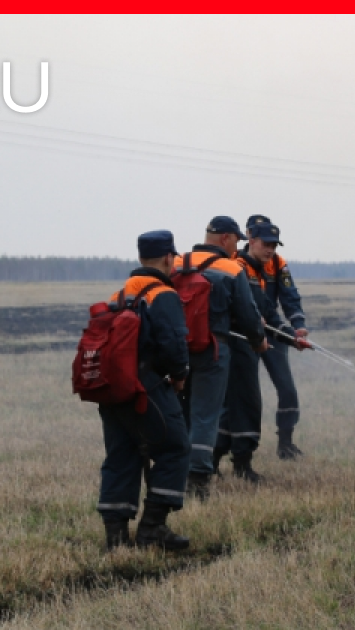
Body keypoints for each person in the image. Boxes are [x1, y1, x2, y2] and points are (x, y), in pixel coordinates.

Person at [97, 230, 192, 550]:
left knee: (122, 454)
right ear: (169, 258)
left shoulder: (118, 295)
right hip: (144, 386)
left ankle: (116, 537)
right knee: (175, 445)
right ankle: (152, 528)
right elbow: (174, 343)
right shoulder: (161, 293)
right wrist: (179, 376)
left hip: (110, 390)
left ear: (140, 258)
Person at [173, 217, 266, 501]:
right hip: (213, 350)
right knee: (205, 415)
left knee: (180, 413)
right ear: (225, 239)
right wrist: (258, 340)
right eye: (236, 241)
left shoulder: (177, 263)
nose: (237, 247)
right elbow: (248, 315)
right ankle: (199, 479)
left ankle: (174, 470)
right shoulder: (230, 268)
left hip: (175, 349)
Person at [244, 215, 311, 460]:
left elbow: (290, 295)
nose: (270, 250)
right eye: (266, 244)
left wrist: (298, 325)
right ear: (251, 239)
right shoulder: (237, 264)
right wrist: (288, 332)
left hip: (273, 332)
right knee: (246, 396)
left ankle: (285, 443)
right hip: (245, 336)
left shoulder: (278, 264)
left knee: (288, 389)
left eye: (274, 245)